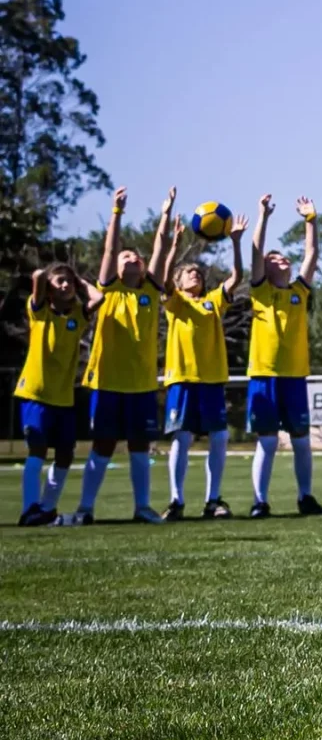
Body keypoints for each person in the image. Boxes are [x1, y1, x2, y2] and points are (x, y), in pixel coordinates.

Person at [63, 186, 176, 525]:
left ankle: (142, 507)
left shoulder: (151, 291)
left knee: (140, 445)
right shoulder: (109, 287)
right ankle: (85, 509)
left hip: (140, 383)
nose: (132, 258)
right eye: (126, 257)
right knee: (103, 445)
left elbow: (162, 246)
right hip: (107, 381)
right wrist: (116, 212)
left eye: (135, 258)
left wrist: (166, 214)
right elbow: (110, 247)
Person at [162, 210, 246, 519]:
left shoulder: (212, 300)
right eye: (189, 272)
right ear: (178, 281)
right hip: (182, 379)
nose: (195, 274)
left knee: (219, 437)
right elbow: (162, 280)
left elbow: (236, 277)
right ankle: (176, 500)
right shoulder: (175, 302)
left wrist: (236, 242)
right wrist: (173, 248)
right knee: (182, 438)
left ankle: (214, 500)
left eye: (198, 271)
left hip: (211, 379)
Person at [245, 194, 322, 518]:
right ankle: (259, 501)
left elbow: (312, 253)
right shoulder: (261, 290)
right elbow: (254, 250)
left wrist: (311, 220)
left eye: (284, 259)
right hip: (264, 375)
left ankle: (306, 497)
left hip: (294, 375)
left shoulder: (298, 292)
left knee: (302, 441)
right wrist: (263, 215)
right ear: (265, 267)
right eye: (275, 259)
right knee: (267, 442)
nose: (283, 261)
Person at [16, 260, 99, 525]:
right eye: (60, 282)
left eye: (69, 282)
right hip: (36, 393)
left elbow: (100, 297)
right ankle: (30, 508)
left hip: (63, 397)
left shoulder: (77, 316)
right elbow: (39, 275)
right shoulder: (39, 311)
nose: (66, 285)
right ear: (49, 291)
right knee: (37, 449)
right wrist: (46, 278)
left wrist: (80, 282)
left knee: (65, 453)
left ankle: (47, 508)